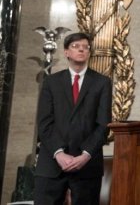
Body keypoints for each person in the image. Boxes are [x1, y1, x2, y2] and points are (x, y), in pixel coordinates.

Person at [34, 32, 112, 205]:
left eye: (86, 47)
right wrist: (59, 153)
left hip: (86, 165)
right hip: (52, 164)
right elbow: (44, 122)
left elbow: (103, 125)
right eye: (76, 46)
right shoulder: (51, 82)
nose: (81, 50)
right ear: (66, 52)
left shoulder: (102, 82)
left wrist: (85, 155)